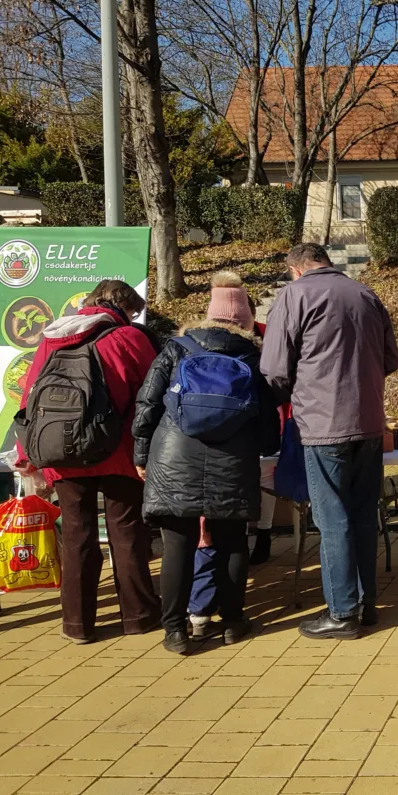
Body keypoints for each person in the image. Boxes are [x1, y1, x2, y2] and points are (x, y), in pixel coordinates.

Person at [133, 273, 281, 654]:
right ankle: (232, 622)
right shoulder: (253, 358)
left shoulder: (177, 348)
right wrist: (264, 447)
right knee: (232, 541)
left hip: (174, 458)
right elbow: (268, 422)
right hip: (232, 460)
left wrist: (141, 454)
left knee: (178, 545)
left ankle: (174, 630)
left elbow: (147, 403)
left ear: (209, 313)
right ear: (245, 319)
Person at [261, 243, 398, 640]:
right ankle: (366, 604)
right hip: (369, 422)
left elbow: (273, 368)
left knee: (332, 518)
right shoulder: (365, 294)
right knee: (362, 515)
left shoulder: (294, 295)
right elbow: (391, 359)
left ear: (296, 269)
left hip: (323, 425)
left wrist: (296, 393)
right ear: (326, 261)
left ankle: (342, 612)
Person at [15, 280, 160, 644]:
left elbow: (30, 398)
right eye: (133, 312)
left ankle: (77, 625)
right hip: (119, 452)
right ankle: (139, 618)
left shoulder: (53, 337)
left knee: (77, 535)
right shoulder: (128, 338)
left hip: (62, 453)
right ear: (122, 307)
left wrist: (26, 455)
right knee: (126, 533)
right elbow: (151, 397)